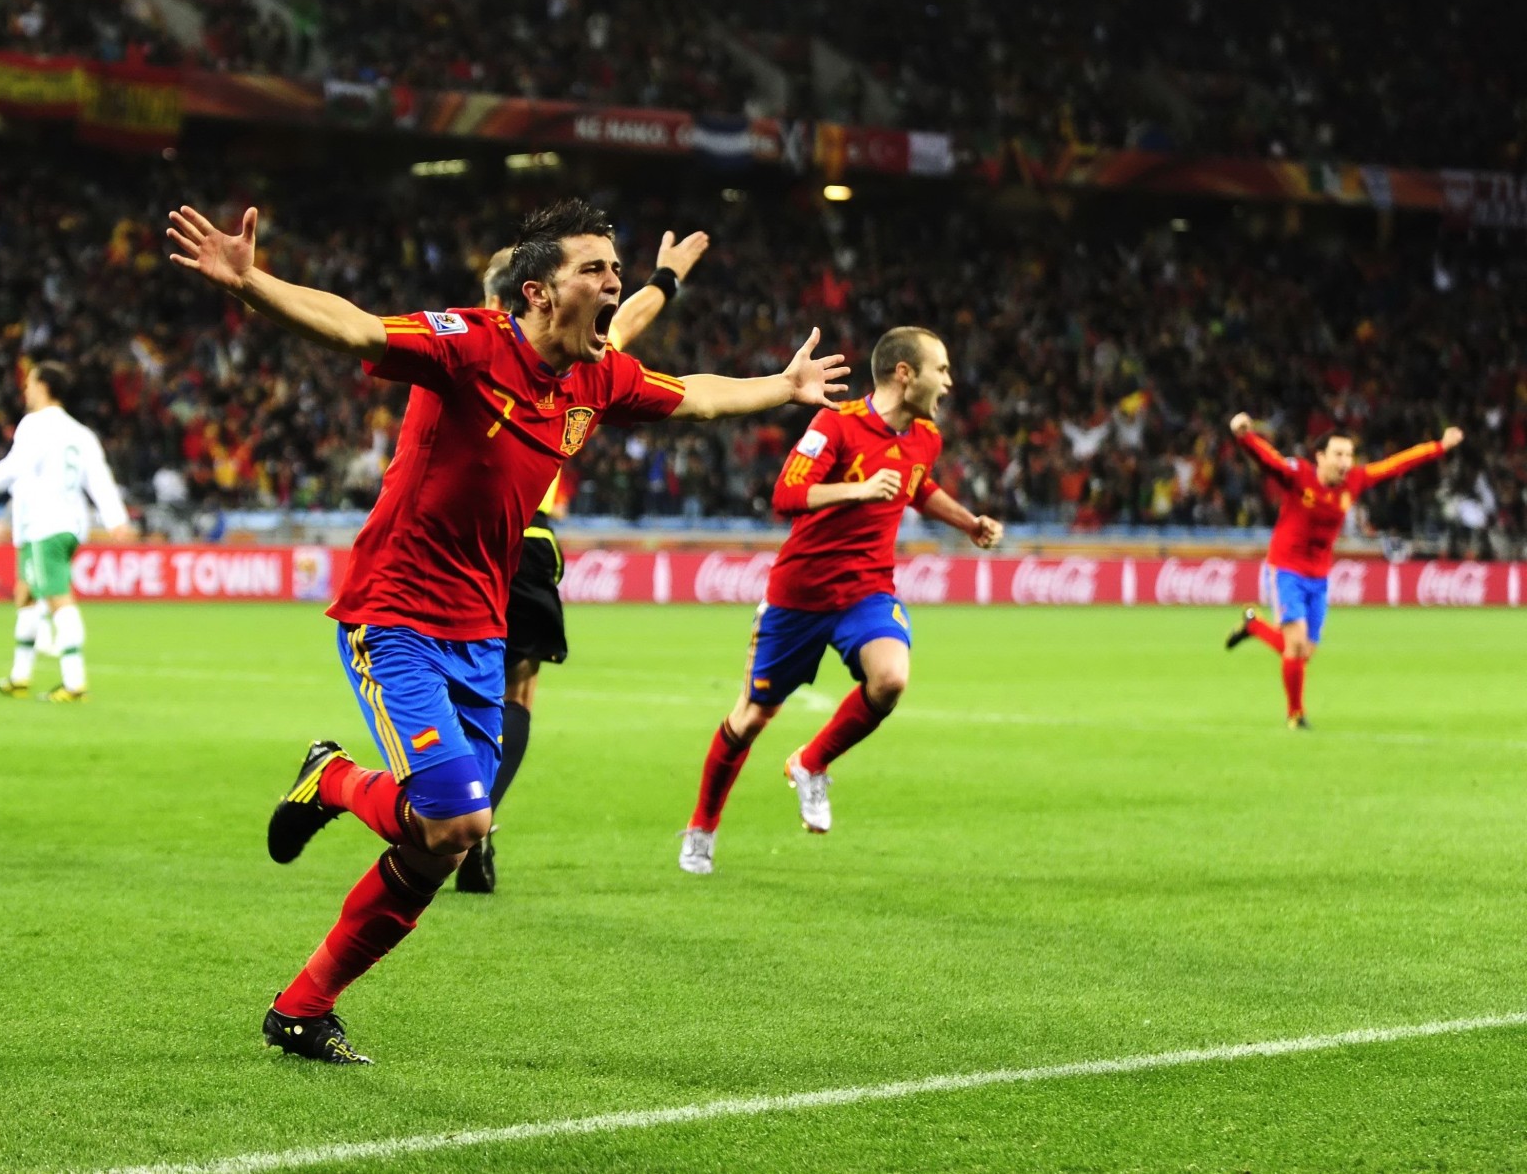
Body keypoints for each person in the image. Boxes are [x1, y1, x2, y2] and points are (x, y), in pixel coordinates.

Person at [167, 196, 848, 1063]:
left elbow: (698, 397)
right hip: (395, 613)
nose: (614, 282)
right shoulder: (467, 342)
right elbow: (357, 330)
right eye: (596, 269)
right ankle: (333, 778)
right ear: (537, 292)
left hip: (480, 632)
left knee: (442, 843)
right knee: (459, 818)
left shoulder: (597, 376)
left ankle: (302, 1006)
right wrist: (251, 282)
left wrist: (783, 386)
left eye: (617, 268)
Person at [678, 326, 1003, 876]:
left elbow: (918, 486)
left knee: (891, 678)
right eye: (941, 370)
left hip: (867, 591)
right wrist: (858, 488)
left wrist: (968, 522)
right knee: (752, 717)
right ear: (905, 374)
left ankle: (811, 762)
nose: (949, 383)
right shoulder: (837, 423)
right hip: (799, 597)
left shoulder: (926, 437)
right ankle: (702, 827)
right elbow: (785, 494)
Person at [453, 230, 705, 893]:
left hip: (452, 544)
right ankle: (478, 823)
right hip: (528, 539)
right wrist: (666, 280)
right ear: (536, 294)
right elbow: (625, 325)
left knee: (450, 689)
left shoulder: (463, 353)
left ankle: (456, 812)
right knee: (517, 691)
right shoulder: (563, 360)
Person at [1225, 414, 1463, 728]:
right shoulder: (1299, 476)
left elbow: (1395, 465)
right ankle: (1295, 715)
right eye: (1338, 454)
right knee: (1295, 644)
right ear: (1320, 457)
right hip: (1286, 569)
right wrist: (1245, 436)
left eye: (1349, 455)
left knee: (1303, 652)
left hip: (1319, 576)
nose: (1345, 462)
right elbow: (1269, 461)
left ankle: (1254, 626)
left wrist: (1439, 447)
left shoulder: (1355, 481)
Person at [0, 360, 133, 702]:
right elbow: (99, 478)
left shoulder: (34, 425)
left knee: (57, 596)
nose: (25, 389)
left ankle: (74, 681)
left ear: (44, 386)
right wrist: (115, 518)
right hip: (70, 524)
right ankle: (20, 676)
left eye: (30, 383)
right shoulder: (81, 433)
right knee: (26, 594)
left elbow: (12, 469)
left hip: (44, 525)